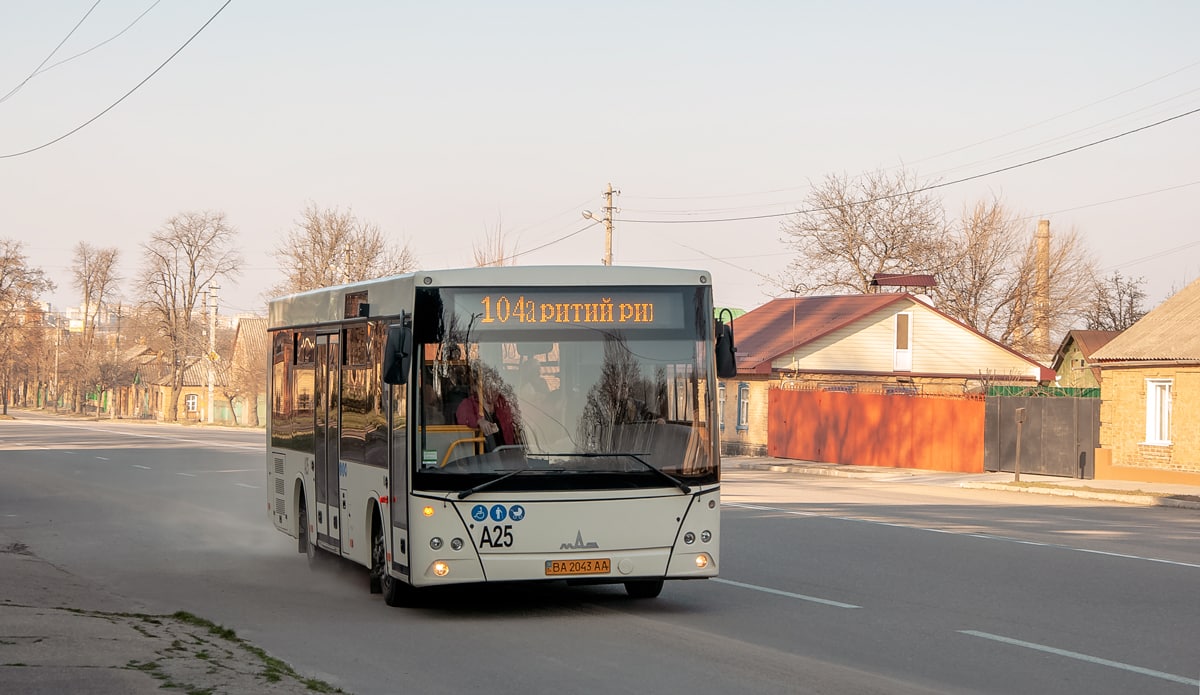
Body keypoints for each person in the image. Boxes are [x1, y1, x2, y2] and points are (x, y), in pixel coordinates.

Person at [456, 384, 516, 449]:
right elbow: (463, 418)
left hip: (507, 449)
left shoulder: (502, 405)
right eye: (489, 387)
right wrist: (479, 421)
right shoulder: (468, 403)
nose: (493, 391)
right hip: (483, 452)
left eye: (496, 388)